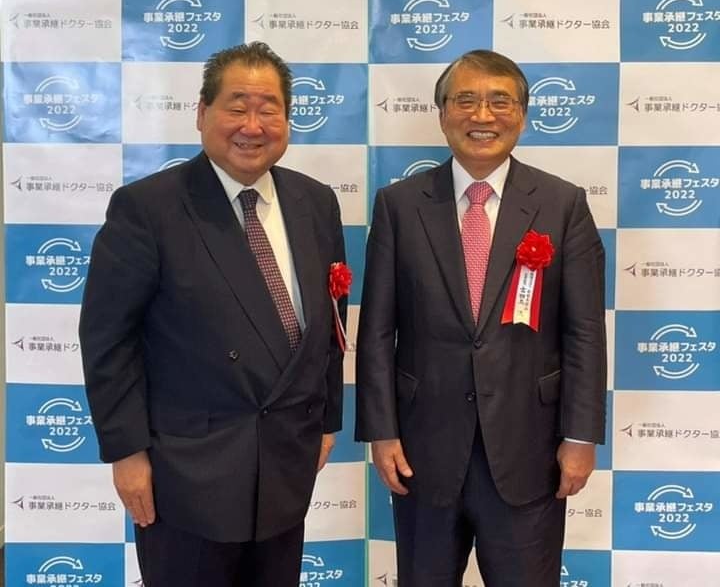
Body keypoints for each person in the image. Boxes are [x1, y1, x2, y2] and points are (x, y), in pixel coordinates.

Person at [80, 42, 346, 587]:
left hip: (285, 464)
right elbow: (108, 340)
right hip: (186, 473)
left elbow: (331, 324)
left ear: (288, 120)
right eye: (237, 106)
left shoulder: (315, 202)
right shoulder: (149, 207)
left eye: (269, 108)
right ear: (202, 113)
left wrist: (327, 420)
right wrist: (126, 452)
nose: (253, 125)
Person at [355, 49, 606, 587]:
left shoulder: (563, 204)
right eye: (465, 100)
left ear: (523, 114)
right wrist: (381, 431)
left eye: (500, 102)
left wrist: (581, 436)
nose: (482, 116)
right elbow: (376, 330)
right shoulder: (399, 205)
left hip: (530, 450)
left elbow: (584, 332)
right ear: (442, 113)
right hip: (422, 450)